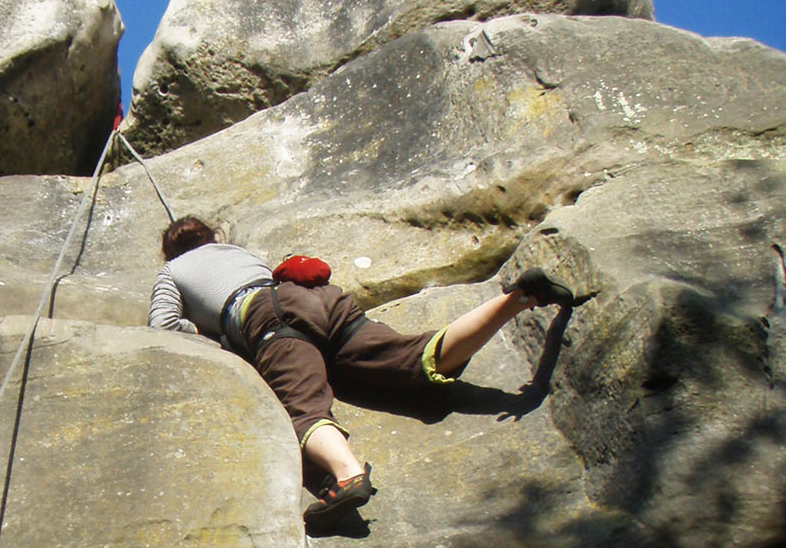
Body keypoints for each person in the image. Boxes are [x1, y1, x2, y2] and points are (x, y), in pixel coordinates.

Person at [147, 216, 573, 526]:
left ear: (172, 250)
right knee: (415, 356)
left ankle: (348, 475)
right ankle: (518, 298)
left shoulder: (173, 271)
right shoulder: (239, 254)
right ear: (209, 236)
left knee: (303, 407)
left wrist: (214, 335)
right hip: (318, 301)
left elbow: (163, 326)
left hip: (270, 320)